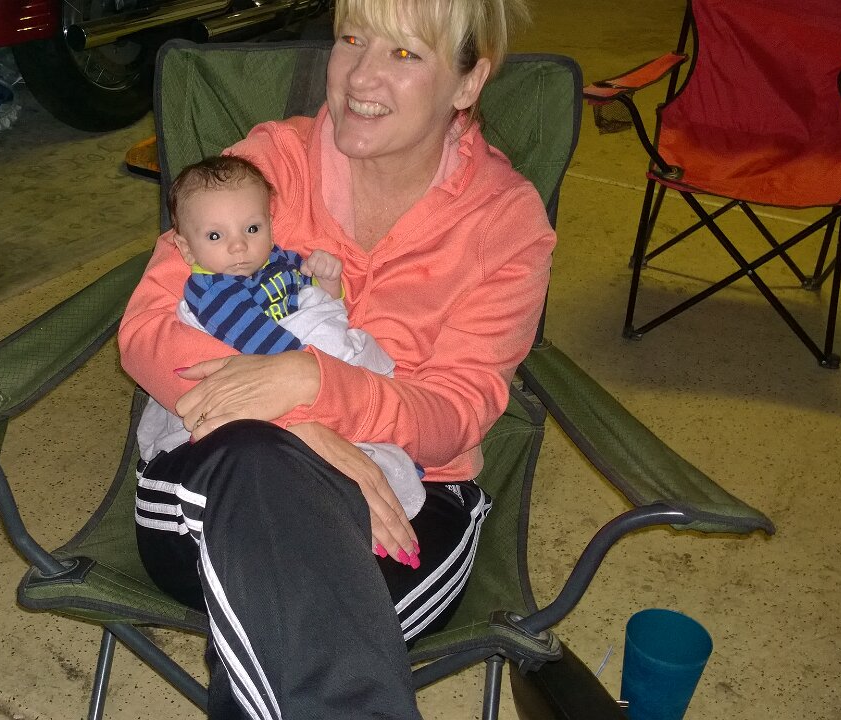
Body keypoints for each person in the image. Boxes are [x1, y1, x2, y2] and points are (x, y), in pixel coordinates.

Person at [117, 0, 551, 715]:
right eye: (351, 39)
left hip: (409, 498)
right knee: (264, 476)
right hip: (218, 467)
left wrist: (314, 382)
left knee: (291, 618)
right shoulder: (269, 165)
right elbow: (147, 331)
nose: (359, 77)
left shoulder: (504, 222)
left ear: (470, 82)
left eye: (404, 54)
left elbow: (455, 413)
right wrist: (301, 422)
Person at [134, 155, 430, 541]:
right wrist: (329, 374)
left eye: (252, 228)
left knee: (360, 395)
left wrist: (328, 284)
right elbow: (272, 354)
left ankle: (380, 462)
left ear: (270, 225)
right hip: (264, 390)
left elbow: (316, 303)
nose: (239, 246)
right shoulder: (214, 294)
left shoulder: (275, 261)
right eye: (215, 236)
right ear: (186, 249)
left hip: (300, 379)